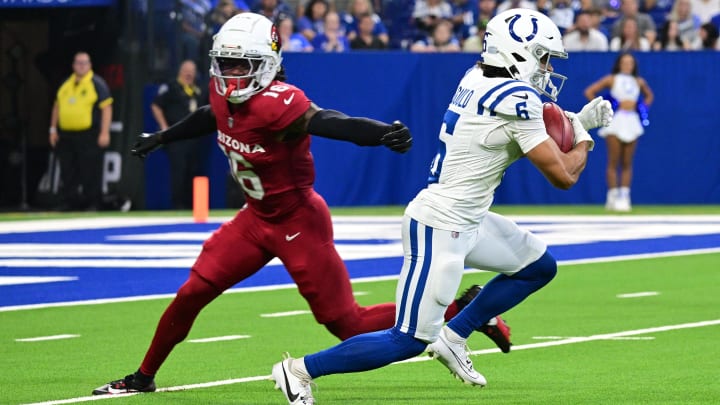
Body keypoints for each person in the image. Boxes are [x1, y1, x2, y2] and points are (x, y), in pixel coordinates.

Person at [91, 12, 509, 396]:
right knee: (192, 292)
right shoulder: (223, 96)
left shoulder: (279, 102)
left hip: (298, 221)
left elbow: (330, 122)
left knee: (347, 324)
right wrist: (162, 138)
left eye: (243, 64)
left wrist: (379, 133)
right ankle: (142, 377)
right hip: (255, 220)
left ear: (268, 62)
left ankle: (462, 307)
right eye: (226, 63)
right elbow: (208, 115)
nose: (232, 74)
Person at [270, 8, 613, 404]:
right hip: (441, 223)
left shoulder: (479, 76)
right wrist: (583, 133)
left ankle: (454, 336)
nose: (548, 67)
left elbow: (505, 143)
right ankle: (299, 370)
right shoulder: (515, 98)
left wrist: (571, 120)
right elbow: (563, 176)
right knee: (408, 339)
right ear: (516, 52)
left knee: (537, 267)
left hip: (469, 217)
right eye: (543, 56)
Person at [584, 52, 653, 212]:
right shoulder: (612, 79)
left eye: (630, 62)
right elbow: (590, 91)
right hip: (616, 121)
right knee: (613, 161)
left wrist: (641, 107)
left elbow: (649, 96)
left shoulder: (638, 81)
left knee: (627, 162)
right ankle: (612, 196)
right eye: (624, 62)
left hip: (632, 121)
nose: (628, 65)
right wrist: (607, 107)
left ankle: (624, 196)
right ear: (619, 64)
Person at [49, 51, 113, 211]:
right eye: (78, 62)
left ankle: (93, 202)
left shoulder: (97, 83)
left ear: (90, 65)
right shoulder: (65, 83)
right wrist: (52, 129)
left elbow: (106, 108)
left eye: (84, 63)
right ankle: (70, 202)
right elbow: (57, 106)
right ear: (73, 65)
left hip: (89, 134)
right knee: (67, 169)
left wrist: (105, 132)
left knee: (90, 169)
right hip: (66, 134)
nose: (81, 66)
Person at [150, 60, 211, 209]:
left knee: (195, 171)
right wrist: (164, 127)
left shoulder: (199, 90)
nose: (189, 74)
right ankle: (178, 205)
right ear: (180, 71)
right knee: (179, 171)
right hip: (178, 138)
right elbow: (156, 105)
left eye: (192, 71)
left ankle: (195, 205)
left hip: (195, 139)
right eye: (186, 70)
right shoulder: (171, 87)